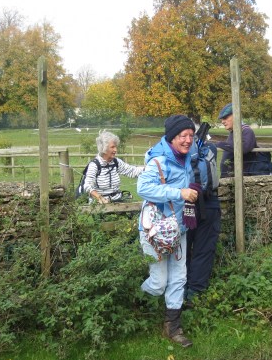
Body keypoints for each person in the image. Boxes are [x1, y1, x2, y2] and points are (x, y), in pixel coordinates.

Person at [137, 115, 199, 347]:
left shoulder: (186, 159)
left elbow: (187, 186)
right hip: (155, 231)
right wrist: (179, 193)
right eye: (183, 136)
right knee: (158, 282)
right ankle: (134, 302)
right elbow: (143, 188)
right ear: (172, 137)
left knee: (179, 278)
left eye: (191, 136)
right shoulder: (159, 161)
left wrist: (192, 192)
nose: (187, 140)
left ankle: (173, 327)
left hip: (179, 228)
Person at [184, 130, 221, 307]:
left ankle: (180, 290)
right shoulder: (210, 148)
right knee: (204, 249)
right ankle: (195, 294)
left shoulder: (175, 150)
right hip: (209, 201)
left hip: (184, 202)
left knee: (182, 248)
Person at [82, 130, 144, 204]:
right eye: (112, 147)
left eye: (115, 147)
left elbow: (132, 171)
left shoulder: (116, 162)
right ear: (104, 148)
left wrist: (150, 169)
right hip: (100, 205)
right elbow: (87, 185)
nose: (115, 150)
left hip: (117, 202)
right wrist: (99, 197)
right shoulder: (94, 165)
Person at [215, 102, 259, 178]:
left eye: (225, 118)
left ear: (236, 116)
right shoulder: (234, 132)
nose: (222, 122)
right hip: (230, 178)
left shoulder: (247, 131)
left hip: (241, 180)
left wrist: (220, 144)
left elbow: (244, 148)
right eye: (222, 119)